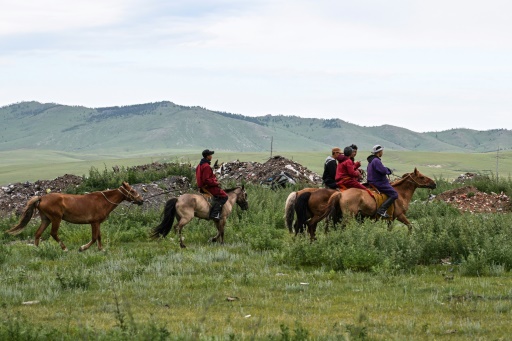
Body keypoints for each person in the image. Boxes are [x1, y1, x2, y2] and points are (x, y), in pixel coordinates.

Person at [195, 149, 228, 222]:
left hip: (202, 186)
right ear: (207, 157)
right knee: (224, 196)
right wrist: (216, 183)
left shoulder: (199, 165)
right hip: (208, 187)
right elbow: (206, 180)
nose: (211, 157)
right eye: (210, 155)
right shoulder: (206, 166)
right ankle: (215, 213)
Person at [367, 145, 398, 218]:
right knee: (394, 194)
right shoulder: (376, 160)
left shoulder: (371, 160)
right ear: (379, 152)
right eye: (382, 151)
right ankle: (382, 210)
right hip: (378, 182)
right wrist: (389, 170)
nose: (382, 153)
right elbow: (383, 170)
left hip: (372, 181)